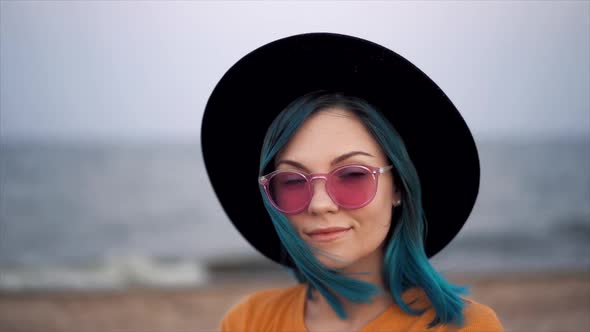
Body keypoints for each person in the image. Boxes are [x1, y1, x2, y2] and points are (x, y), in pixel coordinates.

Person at [201, 33, 504, 331]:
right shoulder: (248, 322)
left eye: (352, 175)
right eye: (292, 180)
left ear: (397, 187)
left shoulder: (464, 327)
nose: (320, 204)